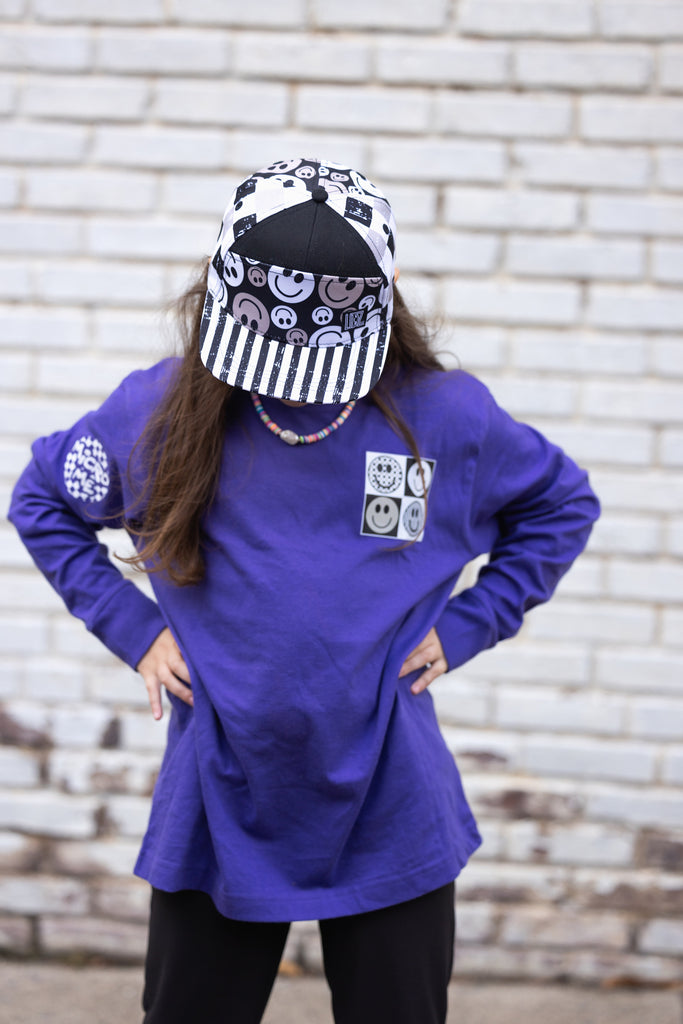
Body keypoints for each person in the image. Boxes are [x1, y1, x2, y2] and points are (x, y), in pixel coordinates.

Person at [8, 157, 600, 1024]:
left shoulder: (444, 417)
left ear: (380, 304)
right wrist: (133, 630)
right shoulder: (160, 412)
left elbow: (559, 503)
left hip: (390, 800)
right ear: (220, 291)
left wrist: (472, 622)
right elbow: (43, 499)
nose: (286, 381)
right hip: (219, 797)